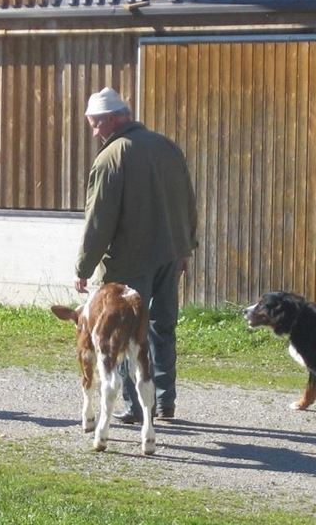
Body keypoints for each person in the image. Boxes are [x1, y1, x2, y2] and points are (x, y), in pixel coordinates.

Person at [74, 87, 197, 422]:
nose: (95, 132)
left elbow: (99, 219)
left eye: (97, 124)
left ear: (115, 119)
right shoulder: (167, 147)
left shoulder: (112, 157)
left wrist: (83, 266)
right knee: (162, 325)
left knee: (126, 329)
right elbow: (188, 200)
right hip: (170, 253)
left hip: (130, 260)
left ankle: (136, 404)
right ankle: (164, 399)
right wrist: (187, 246)